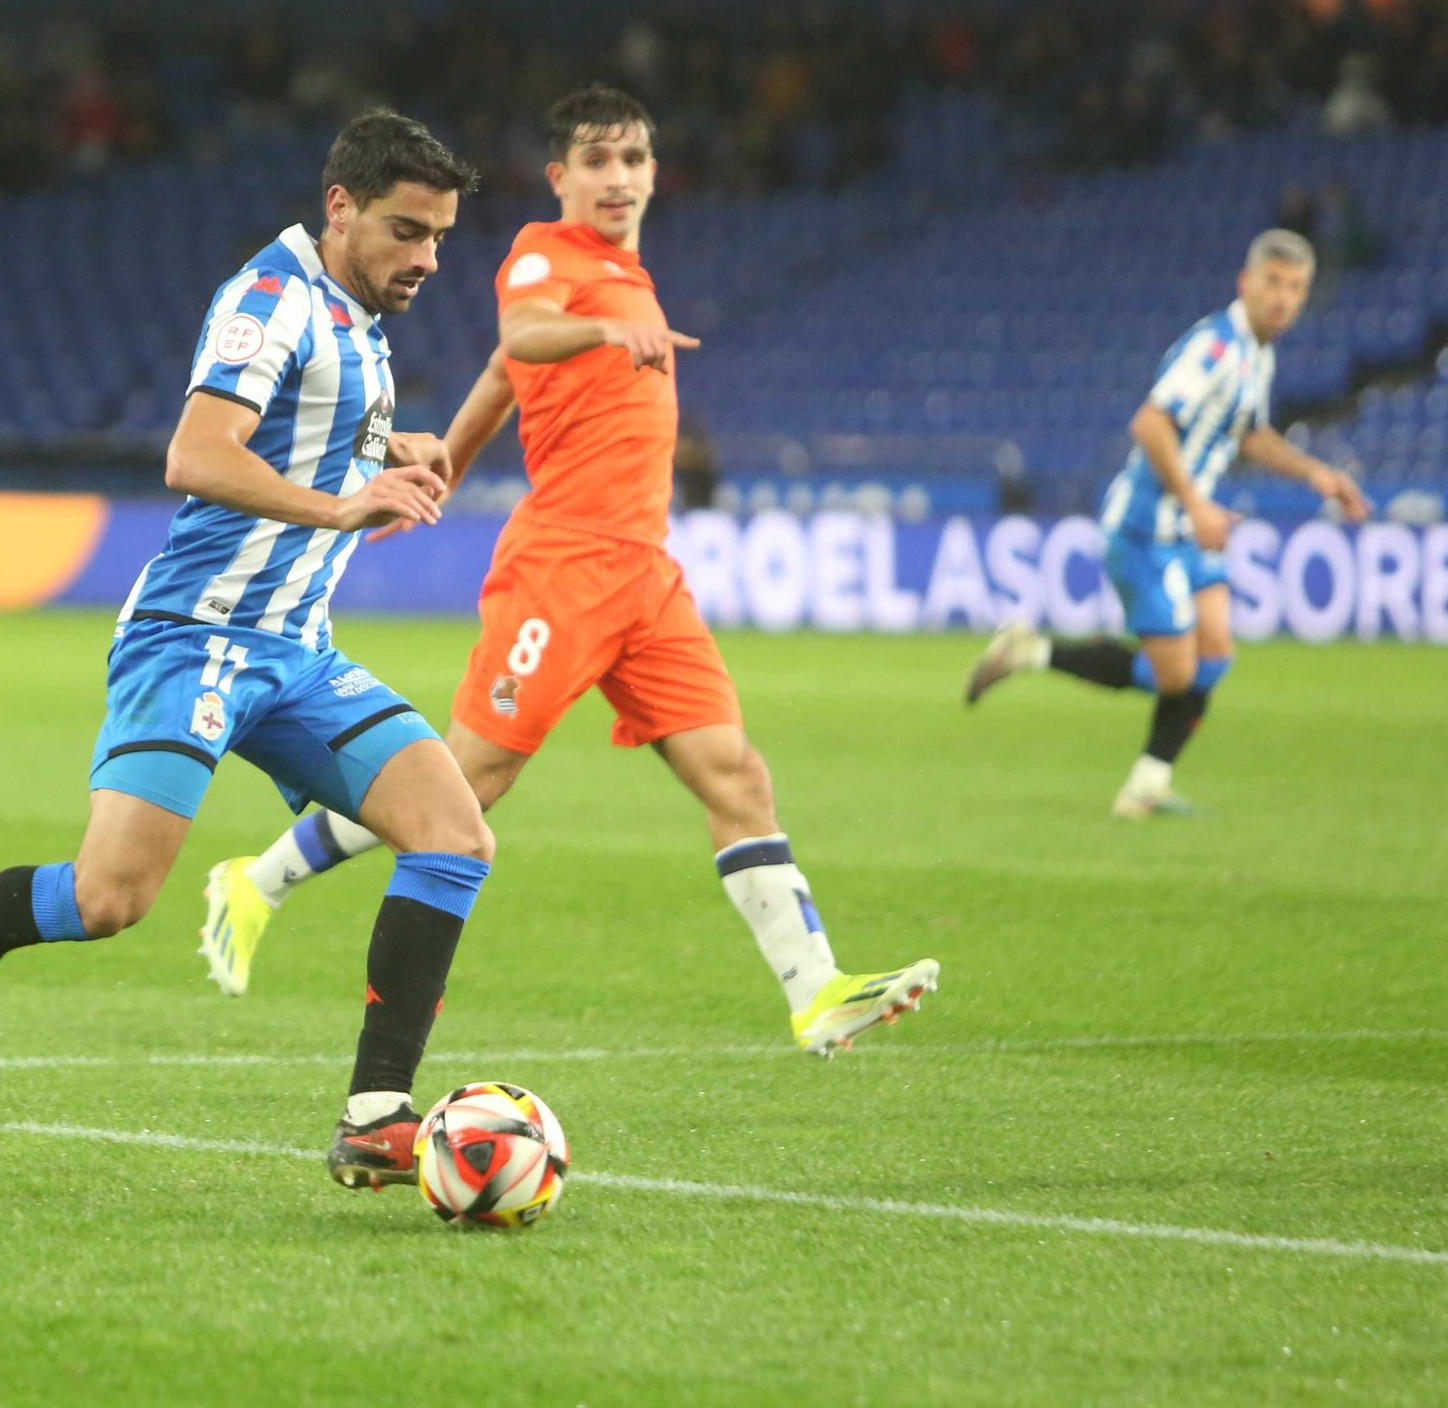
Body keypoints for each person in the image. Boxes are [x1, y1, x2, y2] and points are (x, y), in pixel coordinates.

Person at [0, 111, 489, 1192]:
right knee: (107, 899)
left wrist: (378, 443)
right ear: (339, 206)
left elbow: (302, 420)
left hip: (296, 652)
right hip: (196, 642)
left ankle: (374, 1114)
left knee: (452, 833)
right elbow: (195, 454)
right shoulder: (271, 300)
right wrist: (343, 503)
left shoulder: (356, 307)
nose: (425, 260)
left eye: (437, 237)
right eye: (406, 232)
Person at [198, 85, 938, 1058]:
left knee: (735, 774)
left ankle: (813, 992)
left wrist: (442, 467)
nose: (618, 177)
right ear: (561, 177)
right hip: (564, 565)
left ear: (654, 172)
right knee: (462, 784)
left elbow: (503, 381)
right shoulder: (550, 255)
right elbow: (522, 339)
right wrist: (598, 330)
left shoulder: (623, 275)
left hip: (645, 573)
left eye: (634, 159)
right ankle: (256, 881)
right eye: (597, 160)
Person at [965, 229, 1369, 817]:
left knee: (1216, 654)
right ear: (1246, 283)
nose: (1283, 298)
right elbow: (1150, 423)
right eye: (1274, 283)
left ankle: (1146, 786)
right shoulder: (1216, 349)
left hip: (1187, 525)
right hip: (1143, 530)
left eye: (1297, 288)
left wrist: (1316, 475)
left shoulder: (1259, 353)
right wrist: (1197, 502)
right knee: (1175, 675)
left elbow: (1250, 435)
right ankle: (1032, 652)